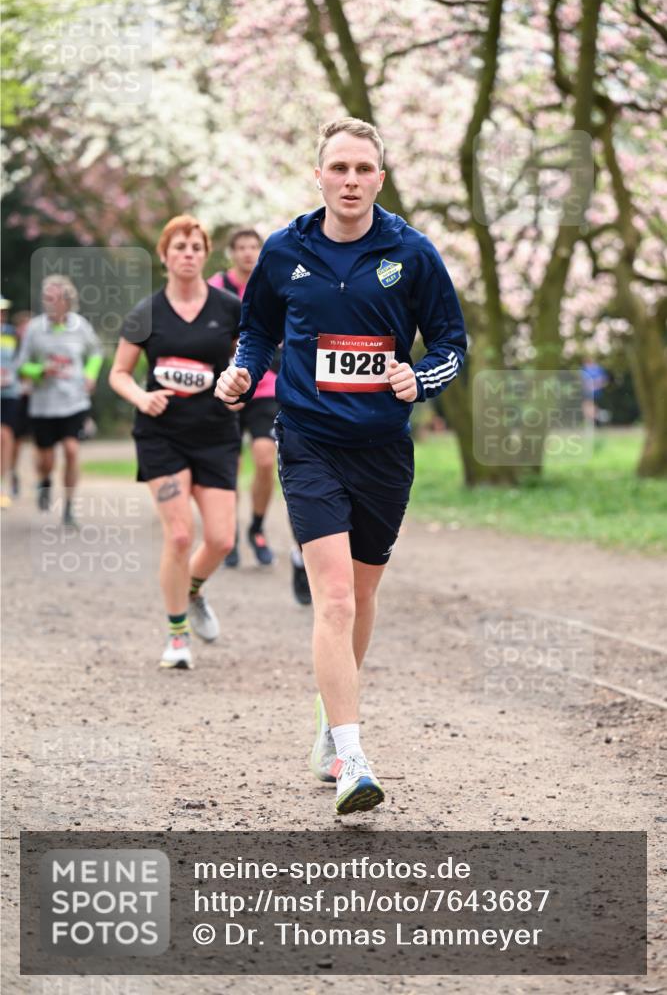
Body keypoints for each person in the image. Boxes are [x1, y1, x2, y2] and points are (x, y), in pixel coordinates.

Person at [215, 118, 467, 814]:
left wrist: (421, 379)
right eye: (339, 168)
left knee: (361, 594)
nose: (350, 180)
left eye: (363, 168)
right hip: (308, 442)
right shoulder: (282, 250)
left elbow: (450, 339)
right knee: (333, 598)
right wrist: (242, 371)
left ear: (380, 178)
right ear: (318, 174)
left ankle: (331, 715)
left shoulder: (410, 253)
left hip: (383, 449)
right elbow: (257, 329)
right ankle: (352, 758)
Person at [109, 215, 241, 671]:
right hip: (162, 435)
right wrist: (142, 398)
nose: (188, 253)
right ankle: (177, 634)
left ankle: (192, 590)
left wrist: (238, 390)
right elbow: (118, 374)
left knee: (222, 539)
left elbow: (248, 364)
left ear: (206, 255)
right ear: (164, 255)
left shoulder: (228, 309)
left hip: (216, 434)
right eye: (179, 246)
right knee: (181, 533)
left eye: (196, 247)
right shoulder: (146, 313)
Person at [210, 229, 311, 604]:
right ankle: (230, 532)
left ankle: (255, 525)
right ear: (231, 253)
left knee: (267, 461)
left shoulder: (278, 278)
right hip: (228, 388)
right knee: (230, 466)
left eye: (254, 247)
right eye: (242, 248)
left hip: (267, 388)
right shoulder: (217, 288)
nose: (249, 253)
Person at [16, 277, 103, 526]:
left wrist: (90, 373)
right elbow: (21, 365)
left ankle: (69, 506)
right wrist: (40, 371)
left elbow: (95, 352)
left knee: (72, 450)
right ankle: (45, 480)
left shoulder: (80, 326)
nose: (50, 304)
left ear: (67, 301)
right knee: (46, 459)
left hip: (74, 401)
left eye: (55, 299)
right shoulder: (34, 328)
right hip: (44, 404)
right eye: (47, 299)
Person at [9, 310, 34, 497]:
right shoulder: (10, 348)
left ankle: (42, 476)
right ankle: (12, 473)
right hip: (16, 398)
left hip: (37, 399)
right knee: (14, 440)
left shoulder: (38, 349)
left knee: (41, 441)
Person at [0, 296, 20, 508]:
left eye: (3, 311)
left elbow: (20, 361)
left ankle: (2, 486)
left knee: (4, 436)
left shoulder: (12, 334)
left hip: (9, 393)